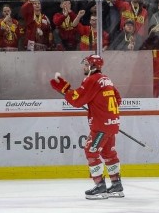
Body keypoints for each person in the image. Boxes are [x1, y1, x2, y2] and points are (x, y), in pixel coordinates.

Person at [49, 55, 124, 199]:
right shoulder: (106, 79)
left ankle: (100, 186)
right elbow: (118, 99)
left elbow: (77, 100)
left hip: (101, 126)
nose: (84, 67)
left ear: (92, 66)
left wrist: (63, 87)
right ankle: (116, 185)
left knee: (91, 152)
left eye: (86, 64)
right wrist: (101, 109)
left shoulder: (91, 80)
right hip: (111, 124)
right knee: (109, 154)